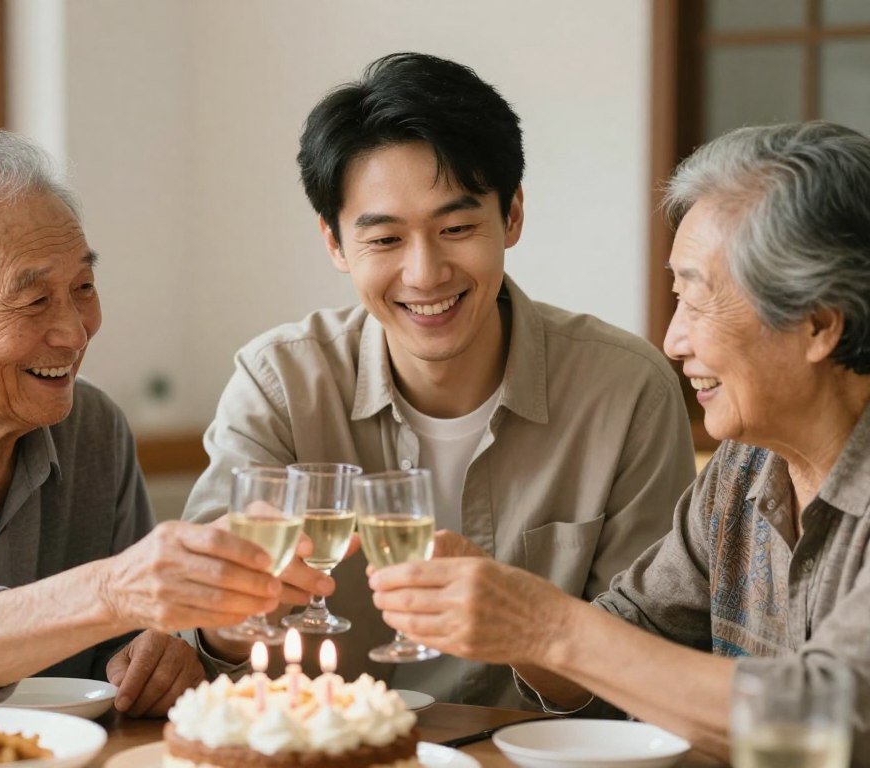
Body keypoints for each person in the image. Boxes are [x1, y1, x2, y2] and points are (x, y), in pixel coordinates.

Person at [184, 52, 696, 706]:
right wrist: (228, 609)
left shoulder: (625, 392)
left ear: (511, 216)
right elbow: (204, 638)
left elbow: (649, 666)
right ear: (335, 243)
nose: (425, 274)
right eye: (385, 240)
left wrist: (528, 627)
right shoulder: (279, 384)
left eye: (455, 228)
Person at [368, 120, 870, 761]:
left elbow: (830, 721)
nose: (672, 341)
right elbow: (619, 662)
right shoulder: (743, 470)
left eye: (698, 300)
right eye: (674, 296)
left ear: (818, 323)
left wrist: (545, 625)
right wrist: (513, 626)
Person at [0, 131, 327, 716]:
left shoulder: (93, 428)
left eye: (83, 288)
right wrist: (114, 588)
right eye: (33, 302)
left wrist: (165, 656)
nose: (74, 332)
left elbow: (127, 653)